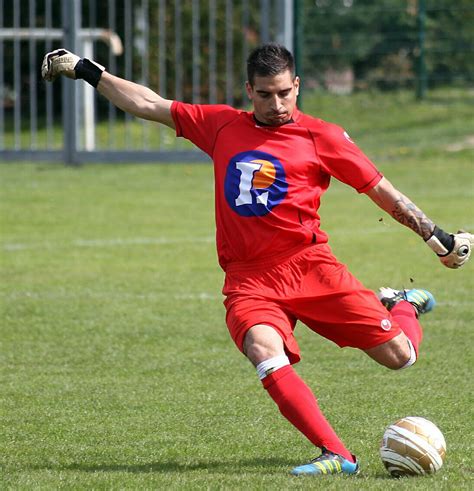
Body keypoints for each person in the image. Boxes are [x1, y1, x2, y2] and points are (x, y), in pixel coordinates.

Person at [42, 44, 472, 477]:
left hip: (309, 266)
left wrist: (437, 237)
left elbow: (383, 191)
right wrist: (86, 70)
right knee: (262, 348)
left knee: (401, 356)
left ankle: (405, 304)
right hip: (249, 279)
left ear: (297, 85)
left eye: (284, 92)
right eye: (265, 94)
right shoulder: (222, 125)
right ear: (249, 90)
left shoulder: (322, 136)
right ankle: (337, 454)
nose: (277, 103)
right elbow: (149, 103)